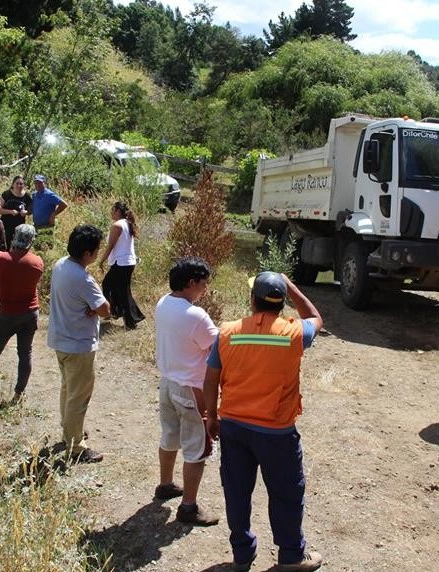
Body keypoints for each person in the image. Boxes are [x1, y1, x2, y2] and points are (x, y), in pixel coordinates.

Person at [203, 272, 324, 572]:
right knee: (286, 493)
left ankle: (242, 557)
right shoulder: (295, 333)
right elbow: (316, 316)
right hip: (276, 433)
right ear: (282, 303)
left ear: (251, 300)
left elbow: (210, 379)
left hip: (233, 427)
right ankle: (291, 557)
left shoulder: (227, 332)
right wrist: (290, 285)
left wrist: (211, 415)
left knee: (237, 492)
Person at [154, 257, 220, 526]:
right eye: (203, 284)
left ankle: (166, 484)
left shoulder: (163, 303)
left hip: (168, 383)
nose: (205, 289)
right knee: (197, 448)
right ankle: (189, 507)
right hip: (191, 387)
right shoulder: (195, 315)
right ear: (191, 283)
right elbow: (218, 347)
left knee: (170, 436)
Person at [47, 224, 111, 463]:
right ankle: (75, 447)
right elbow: (104, 310)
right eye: (96, 250)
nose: (97, 254)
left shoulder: (61, 264)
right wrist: (95, 308)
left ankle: (69, 431)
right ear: (87, 253)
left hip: (61, 339)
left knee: (68, 389)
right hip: (78, 344)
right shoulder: (84, 278)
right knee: (78, 397)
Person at [0, 224, 45, 411]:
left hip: (7, 313)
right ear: (32, 241)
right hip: (29, 312)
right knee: (25, 353)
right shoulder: (36, 262)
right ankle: (19, 392)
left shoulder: (2, 258)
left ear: (14, 238)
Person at [98, 201, 145, 329]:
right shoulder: (127, 223)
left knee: (118, 289)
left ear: (118, 211)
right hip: (127, 262)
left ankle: (129, 320)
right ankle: (115, 312)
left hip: (121, 263)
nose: (111, 212)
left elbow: (111, 246)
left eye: (113, 210)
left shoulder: (117, 225)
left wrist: (101, 261)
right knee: (113, 286)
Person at [0, 175, 32, 247]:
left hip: (20, 226)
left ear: (24, 185)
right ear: (13, 184)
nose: (19, 185)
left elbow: (31, 210)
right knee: (5, 245)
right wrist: (10, 212)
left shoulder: (26, 196)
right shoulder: (7, 194)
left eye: (21, 184)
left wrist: (26, 212)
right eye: (17, 183)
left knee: (17, 247)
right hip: (6, 225)